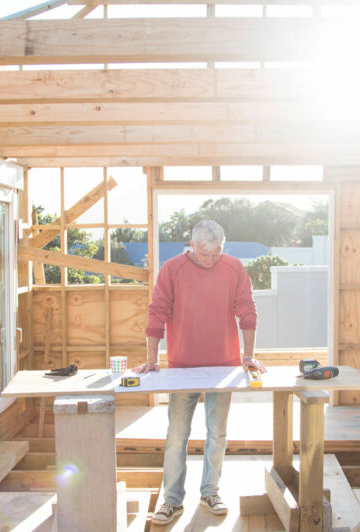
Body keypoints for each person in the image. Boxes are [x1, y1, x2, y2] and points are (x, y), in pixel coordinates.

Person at [134, 219, 265, 526]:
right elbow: (158, 311)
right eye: (205, 254)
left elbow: (247, 309)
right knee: (177, 435)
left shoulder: (233, 268)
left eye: (217, 253)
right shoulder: (172, 269)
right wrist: (152, 359)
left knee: (217, 433)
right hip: (182, 366)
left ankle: (210, 492)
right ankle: (172, 500)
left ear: (223, 247)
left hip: (224, 365)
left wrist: (248, 356)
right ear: (192, 246)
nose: (211, 261)